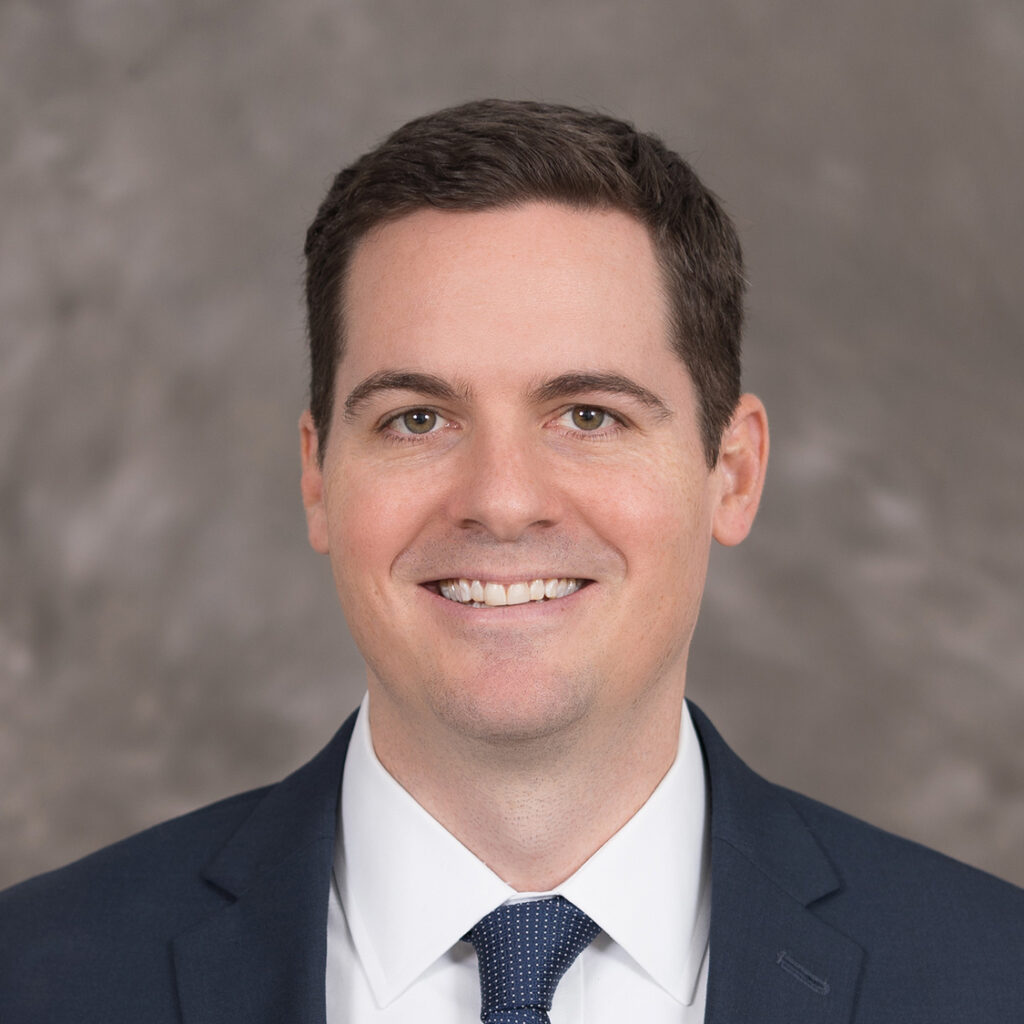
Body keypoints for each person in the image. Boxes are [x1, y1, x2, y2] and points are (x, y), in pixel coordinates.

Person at [1, 99, 1020, 1023]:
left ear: (733, 471)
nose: (500, 499)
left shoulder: (990, 978)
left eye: (588, 414)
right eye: (415, 419)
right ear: (318, 476)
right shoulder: (38, 976)